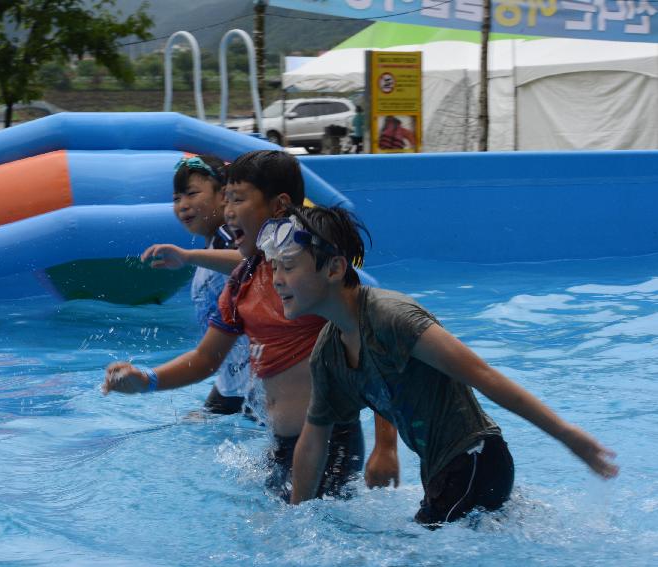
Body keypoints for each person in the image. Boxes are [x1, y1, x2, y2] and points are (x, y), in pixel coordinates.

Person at [257, 205, 619, 523]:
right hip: (445, 472)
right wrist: (296, 516)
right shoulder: (328, 353)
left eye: (288, 266)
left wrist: (567, 435)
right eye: (274, 267)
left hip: (476, 458)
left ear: (335, 268)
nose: (277, 279)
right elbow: (313, 440)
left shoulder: (391, 317)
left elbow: (483, 375)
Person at [103, 150, 399, 501]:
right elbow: (205, 359)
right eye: (226, 199)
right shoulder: (241, 281)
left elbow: (376, 353)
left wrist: (386, 445)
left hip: (329, 441)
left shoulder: (312, 278)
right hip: (280, 443)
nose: (227, 211)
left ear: (279, 206)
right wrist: (147, 380)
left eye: (238, 199)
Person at [167, 154, 252, 414]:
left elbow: (250, 260)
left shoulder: (230, 235)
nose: (183, 205)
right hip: (232, 379)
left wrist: (188, 256)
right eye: (176, 198)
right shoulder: (214, 244)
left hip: (256, 378)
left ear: (223, 195)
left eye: (192, 194)